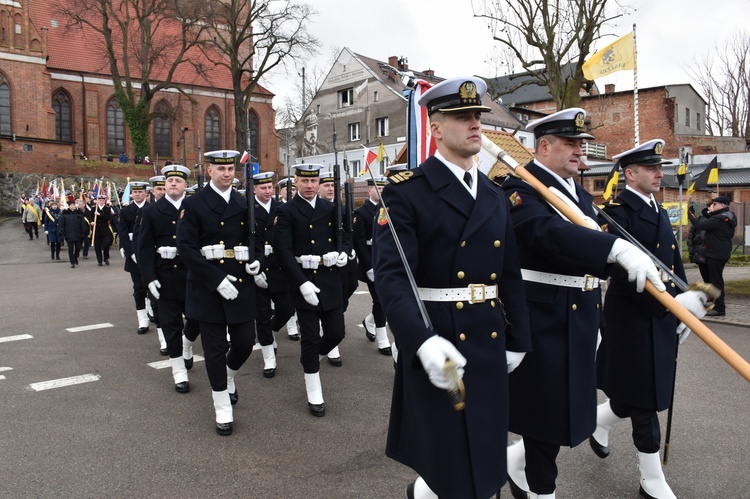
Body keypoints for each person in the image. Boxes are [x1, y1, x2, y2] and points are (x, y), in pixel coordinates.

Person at [372, 77, 532, 499]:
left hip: (489, 334)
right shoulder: (407, 193)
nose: (475, 125)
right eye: (462, 117)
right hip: (439, 334)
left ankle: (424, 493)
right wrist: (420, 342)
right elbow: (393, 277)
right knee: (453, 461)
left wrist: (519, 337)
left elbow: (509, 274)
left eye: (477, 116)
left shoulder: (496, 196)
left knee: (484, 453)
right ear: (436, 128)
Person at [501, 108, 666, 499]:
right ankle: (543, 492)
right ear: (544, 146)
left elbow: (595, 256)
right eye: (571, 144)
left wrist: (670, 301)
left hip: (580, 316)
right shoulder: (519, 188)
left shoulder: (578, 194)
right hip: (540, 315)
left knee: (564, 413)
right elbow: (547, 233)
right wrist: (613, 248)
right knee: (541, 415)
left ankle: (513, 464)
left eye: (582, 144)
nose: (580, 152)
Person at [589, 140, 708, 499]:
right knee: (644, 400)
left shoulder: (657, 207)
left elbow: (670, 260)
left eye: (661, 167)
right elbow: (621, 271)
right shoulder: (616, 213)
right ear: (630, 174)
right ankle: (651, 478)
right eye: (652, 168)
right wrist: (671, 305)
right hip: (633, 318)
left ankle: (598, 421)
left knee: (642, 391)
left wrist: (686, 300)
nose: (661, 173)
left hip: (661, 313)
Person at [176, 149, 263, 436]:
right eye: (221, 168)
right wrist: (215, 279)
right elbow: (186, 249)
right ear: (209, 170)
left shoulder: (244, 201)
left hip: (239, 284)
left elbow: (258, 241)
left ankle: (229, 375)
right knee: (213, 349)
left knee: (244, 342)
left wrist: (256, 261)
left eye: (230, 169)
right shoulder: (195, 203)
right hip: (207, 287)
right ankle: (222, 403)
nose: (227, 174)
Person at [272, 163, 351, 417]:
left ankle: (311, 356)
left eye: (313, 181)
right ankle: (313, 388)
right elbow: (283, 251)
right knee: (309, 336)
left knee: (336, 333)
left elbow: (345, 235)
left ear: (318, 183)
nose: (309, 186)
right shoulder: (286, 211)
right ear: (295, 182)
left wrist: (343, 253)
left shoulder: (331, 208)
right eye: (304, 181)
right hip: (303, 278)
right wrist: (300, 283)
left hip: (329, 278)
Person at [137, 164, 200, 393]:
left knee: (197, 319)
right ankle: (178, 370)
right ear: (164, 185)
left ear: (185, 185)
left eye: (178, 181)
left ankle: (187, 344)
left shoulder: (194, 207)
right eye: (170, 180)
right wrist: (149, 277)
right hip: (166, 275)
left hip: (192, 275)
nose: (173, 184)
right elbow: (143, 247)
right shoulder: (152, 211)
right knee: (171, 324)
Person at [353, 176, 391, 355]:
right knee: (380, 300)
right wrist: (368, 267)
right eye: (378, 188)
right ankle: (383, 340)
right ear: (369, 190)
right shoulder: (361, 213)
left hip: (388, 262)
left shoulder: (390, 209)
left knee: (385, 299)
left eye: (384, 188)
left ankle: (369, 321)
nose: (381, 191)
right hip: (372, 262)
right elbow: (359, 242)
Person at [315, 170, 345, 366]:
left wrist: (346, 251)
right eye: (326, 185)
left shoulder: (339, 208)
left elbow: (347, 236)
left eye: (333, 185)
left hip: (337, 267)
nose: (330, 188)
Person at [689, 195, 737, 316]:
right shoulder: (724, 217)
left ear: (722, 205)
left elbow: (701, 224)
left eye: (714, 204)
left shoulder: (720, 219)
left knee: (716, 282)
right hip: (715, 252)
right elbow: (707, 219)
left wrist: (691, 215)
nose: (712, 206)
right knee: (710, 281)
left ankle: (720, 308)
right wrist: (708, 211)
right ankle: (713, 303)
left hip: (716, 253)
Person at [117, 181, 152, 335]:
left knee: (151, 285)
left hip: (149, 252)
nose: (138, 194)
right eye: (135, 192)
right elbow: (123, 234)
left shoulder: (151, 209)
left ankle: (152, 310)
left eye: (140, 192)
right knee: (138, 287)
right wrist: (131, 253)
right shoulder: (125, 212)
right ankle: (142, 319)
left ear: (146, 193)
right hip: (133, 254)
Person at [58, 200, 89, 268]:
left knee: (78, 248)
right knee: (70, 248)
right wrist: (61, 233)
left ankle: (75, 257)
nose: (73, 206)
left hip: (78, 234)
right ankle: (72, 262)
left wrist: (84, 232)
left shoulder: (79, 214)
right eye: (71, 205)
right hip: (68, 234)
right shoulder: (65, 214)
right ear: (69, 206)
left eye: (74, 205)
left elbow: (83, 224)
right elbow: (61, 225)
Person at [90, 195, 115, 266]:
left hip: (105, 229)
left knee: (106, 244)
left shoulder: (107, 209)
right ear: (98, 201)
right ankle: (99, 260)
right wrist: (91, 222)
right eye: (100, 200)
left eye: (102, 200)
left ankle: (106, 257)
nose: (101, 201)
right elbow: (90, 217)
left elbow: (108, 217)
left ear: (104, 201)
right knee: (97, 246)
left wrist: (99, 214)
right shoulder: (94, 208)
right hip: (97, 230)